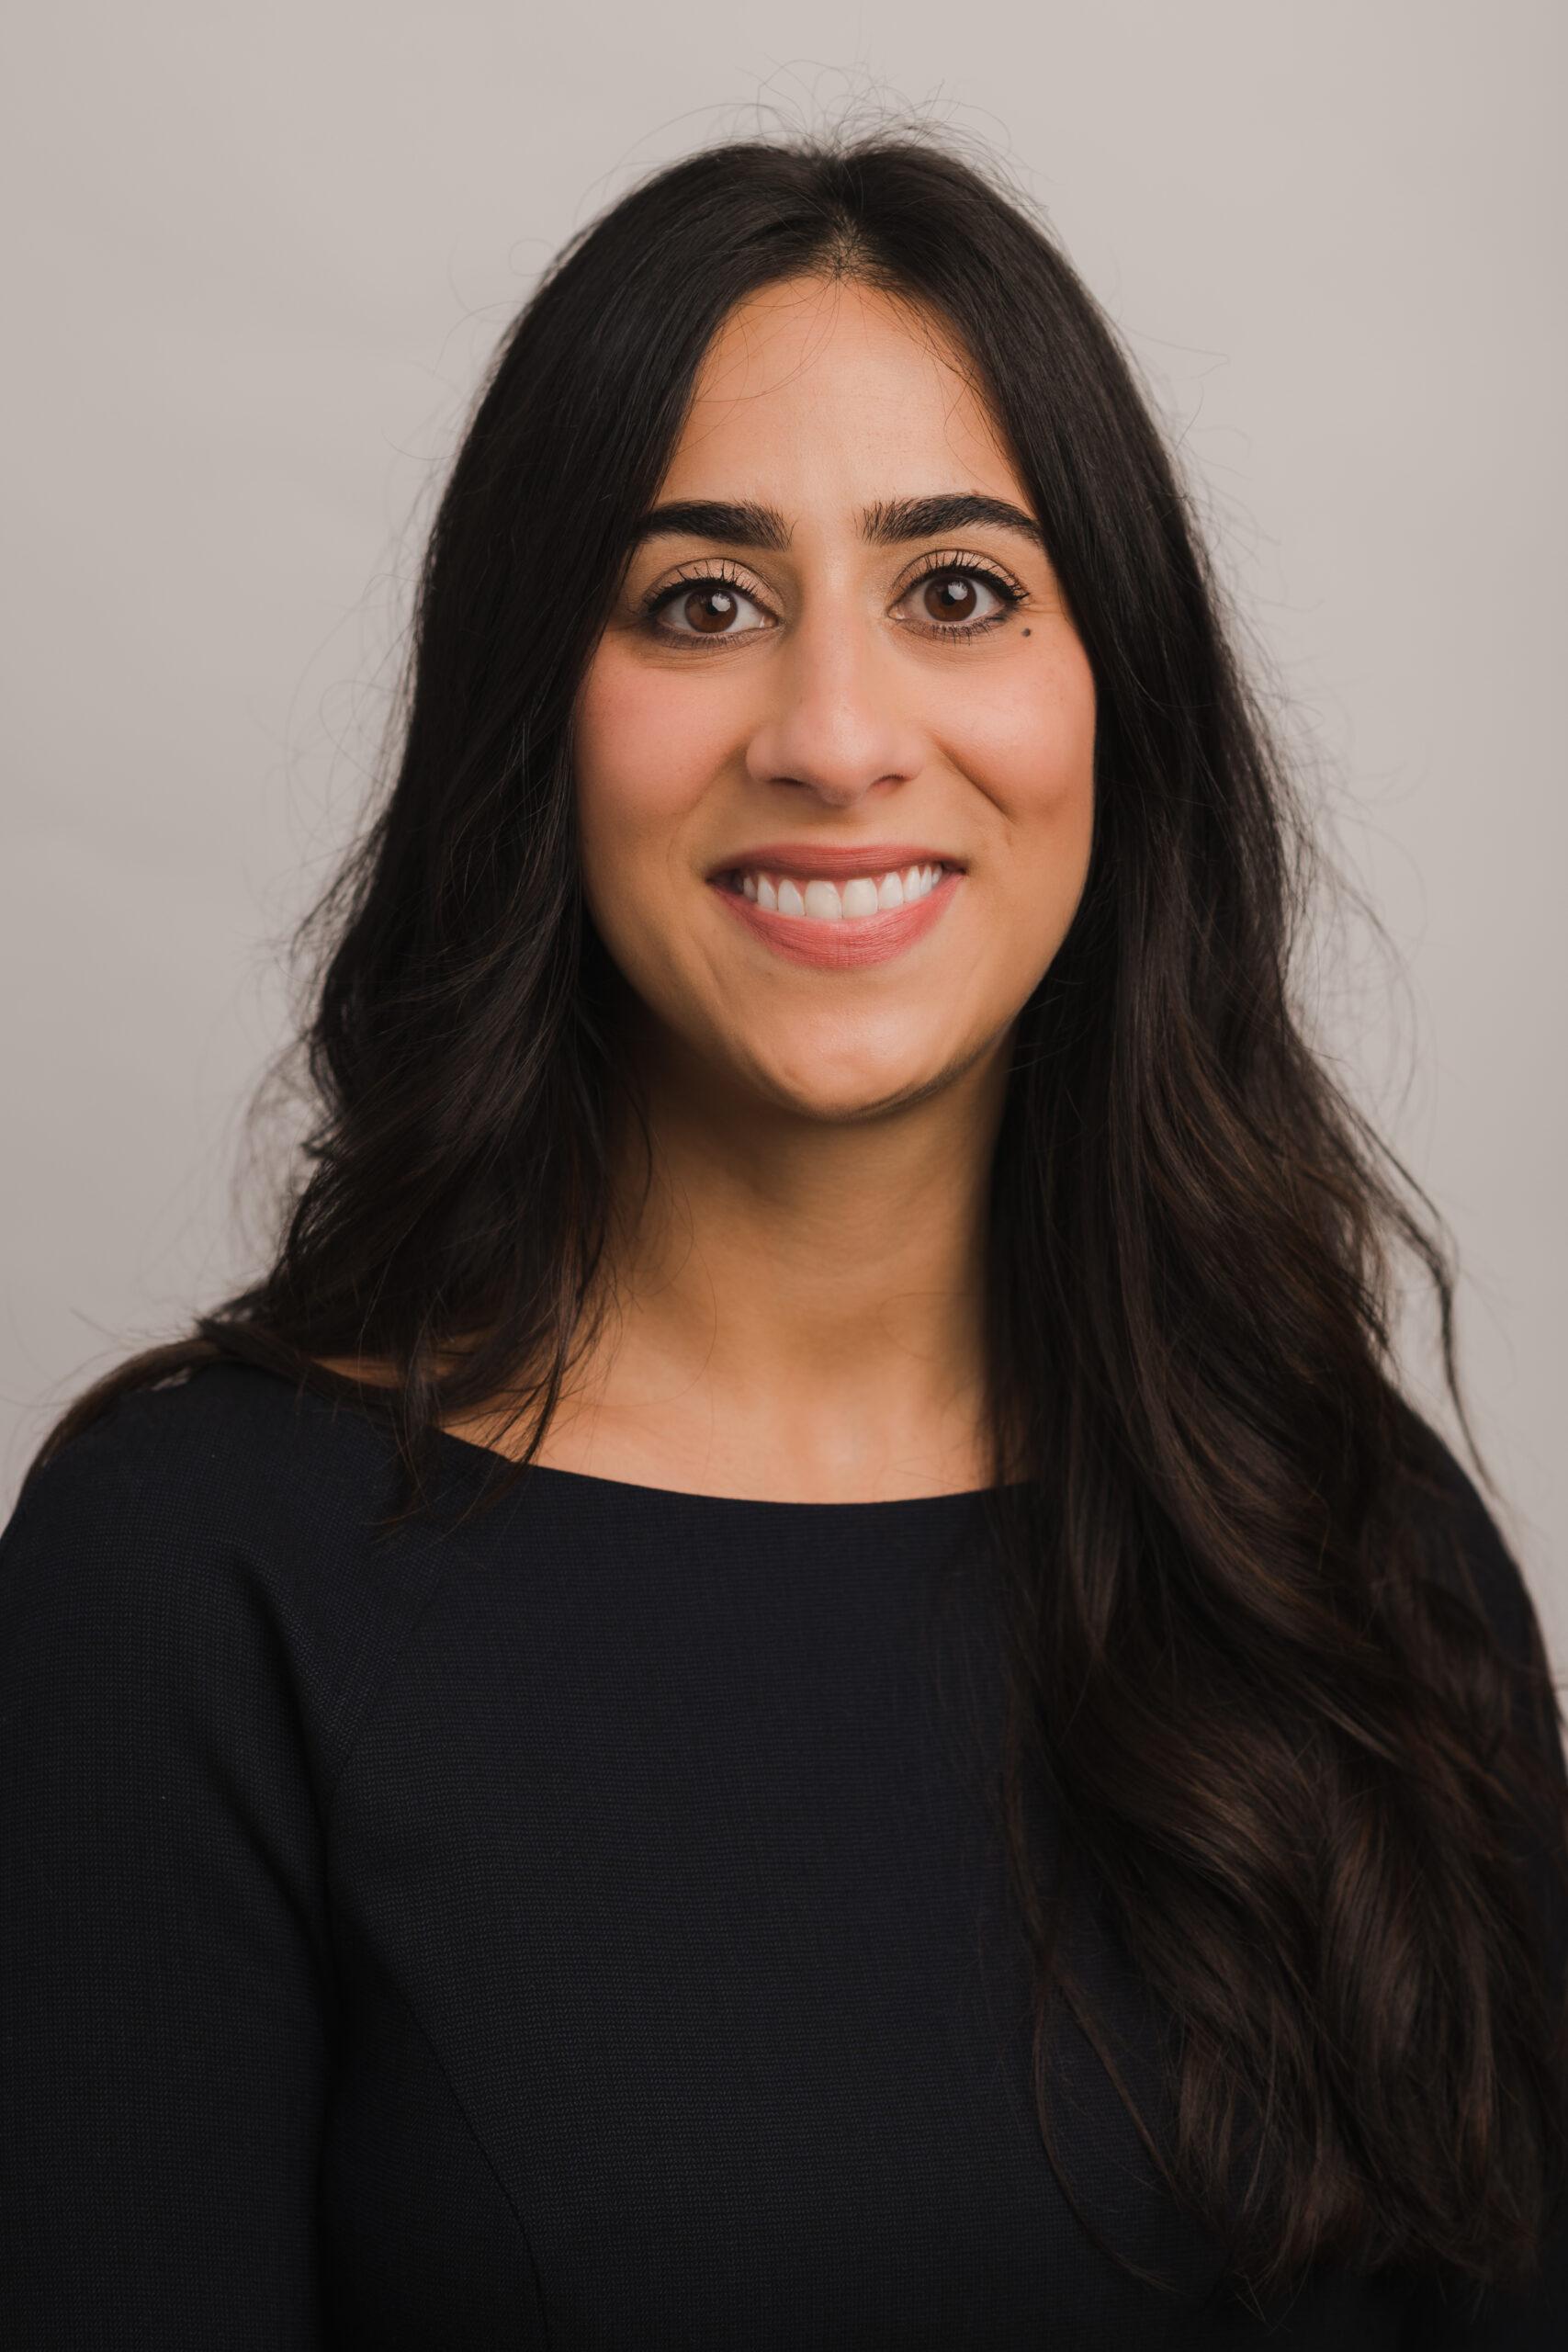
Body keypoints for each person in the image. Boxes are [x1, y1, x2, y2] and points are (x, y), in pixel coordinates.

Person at [2, 125, 1564, 2348]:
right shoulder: (183, 1586)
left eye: (955, 591)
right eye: (699, 601)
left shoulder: (1354, 1551)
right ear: (534, 717)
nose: (835, 736)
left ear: (1115, 706)